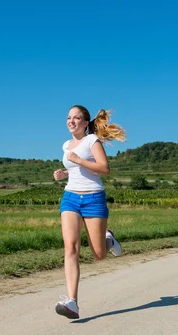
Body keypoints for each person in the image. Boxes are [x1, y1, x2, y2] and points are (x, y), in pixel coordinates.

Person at [53, 105, 127, 319]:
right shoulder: (66, 145)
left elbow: (104, 168)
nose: (71, 121)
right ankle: (72, 302)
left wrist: (79, 160)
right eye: (68, 117)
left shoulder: (92, 141)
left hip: (93, 199)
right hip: (70, 199)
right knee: (71, 246)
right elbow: (78, 169)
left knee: (99, 254)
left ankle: (109, 240)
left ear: (86, 123)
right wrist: (65, 173)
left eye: (76, 118)